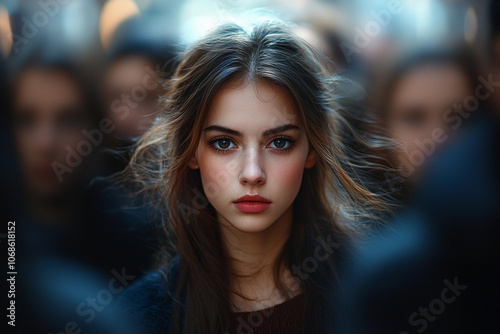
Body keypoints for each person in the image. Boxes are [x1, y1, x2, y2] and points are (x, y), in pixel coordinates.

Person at [118, 20, 393, 334]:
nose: (252, 174)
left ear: (312, 149)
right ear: (192, 151)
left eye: (279, 142)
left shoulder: (377, 295)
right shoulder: (135, 318)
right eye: (223, 143)